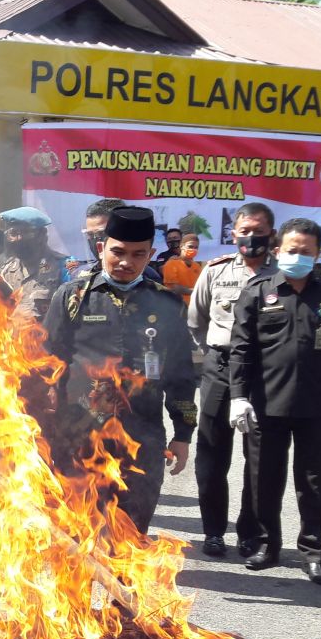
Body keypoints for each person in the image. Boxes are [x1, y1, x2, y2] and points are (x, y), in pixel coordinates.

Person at [43, 206, 197, 534]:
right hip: (78, 434)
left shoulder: (167, 305)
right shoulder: (73, 297)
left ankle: (125, 586)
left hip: (142, 439)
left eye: (138, 254)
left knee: (130, 536)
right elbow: (46, 365)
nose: (126, 262)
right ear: (102, 249)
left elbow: (182, 374)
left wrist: (183, 434)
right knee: (74, 535)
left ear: (150, 254)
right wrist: (40, 428)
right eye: (118, 252)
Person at [228, 218, 321, 585]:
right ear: (277, 250)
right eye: (291, 250)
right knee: (263, 479)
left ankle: (314, 551)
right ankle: (267, 544)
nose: (298, 256)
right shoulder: (258, 291)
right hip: (265, 404)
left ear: (318, 254)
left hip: (318, 406)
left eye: (306, 251)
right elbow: (240, 350)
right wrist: (238, 397)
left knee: (315, 482)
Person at [188, 202, 276, 557]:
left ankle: (250, 532)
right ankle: (213, 531)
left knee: (258, 455)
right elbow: (196, 321)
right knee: (211, 452)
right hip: (220, 367)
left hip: (266, 373)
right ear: (233, 232)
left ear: (271, 233)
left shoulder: (282, 275)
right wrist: (218, 354)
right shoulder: (216, 271)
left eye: (258, 230)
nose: (250, 237)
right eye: (244, 230)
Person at [0, 206, 69, 320]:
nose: (19, 238)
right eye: (13, 233)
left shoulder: (65, 268)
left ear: (42, 234)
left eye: (26, 232)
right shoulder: (6, 271)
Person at [162, 233, 202, 305]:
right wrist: (196, 291)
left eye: (196, 247)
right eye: (190, 246)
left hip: (194, 307)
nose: (193, 249)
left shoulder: (197, 267)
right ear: (181, 246)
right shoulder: (171, 264)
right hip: (176, 307)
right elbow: (174, 288)